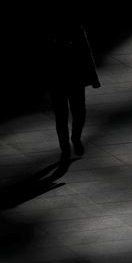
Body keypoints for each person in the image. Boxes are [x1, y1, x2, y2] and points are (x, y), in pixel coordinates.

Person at [45, 19, 101, 164]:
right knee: (64, 115)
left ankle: (74, 139)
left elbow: (85, 50)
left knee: (77, 112)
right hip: (61, 77)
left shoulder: (74, 26)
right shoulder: (71, 27)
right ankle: (66, 147)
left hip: (70, 77)